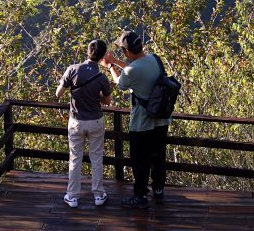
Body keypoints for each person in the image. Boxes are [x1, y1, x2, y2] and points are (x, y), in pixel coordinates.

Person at [101, 30, 169, 209]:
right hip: (161, 119)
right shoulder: (155, 59)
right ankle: (159, 190)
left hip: (142, 123)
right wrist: (116, 61)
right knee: (158, 156)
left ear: (126, 51)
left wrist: (110, 67)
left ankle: (140, 196)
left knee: (140, 160)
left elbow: (120, 82)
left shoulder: (131, 70)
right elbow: (136, 69)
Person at [56, 39, 112, 208]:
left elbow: (59, 93)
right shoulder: (102, 77)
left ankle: (72, 196)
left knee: (75, 159)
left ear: (88, 52)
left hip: (76, 121)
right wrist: (98, 96)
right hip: (95, 121)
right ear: (102, 56)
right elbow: (108, 101)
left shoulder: (72, 70)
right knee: (96, 158)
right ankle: (98, 194)